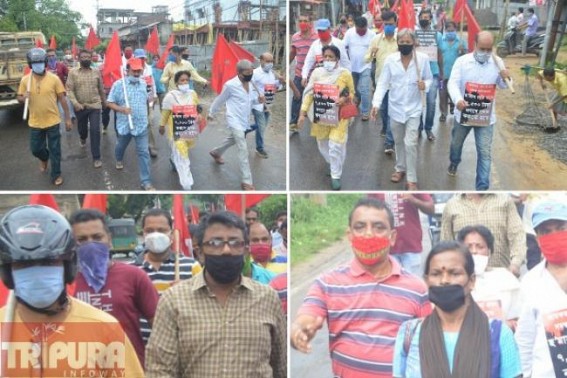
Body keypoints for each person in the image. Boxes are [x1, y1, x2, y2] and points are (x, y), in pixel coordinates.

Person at [291, 198, 431, 378]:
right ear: (350, 235)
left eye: (379, 227)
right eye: (360, 227)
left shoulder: (417, 288)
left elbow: (429, 343)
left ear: (392, 237)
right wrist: (299, 331)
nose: (368, 234)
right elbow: (305, 319)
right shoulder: (327, 283)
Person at [0, 205, 144, 377]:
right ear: (8, 273)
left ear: (68, 267)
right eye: (24, 264)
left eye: (49, 262)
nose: (37, 273)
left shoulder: (104, 328)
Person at [145, 211, 286, 377]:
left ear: (246, 250)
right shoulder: (173, 300)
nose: (226, 250)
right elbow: (160, 371)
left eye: (235, 242)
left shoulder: (268, 298)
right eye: (215, 242)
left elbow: (281, 366)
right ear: (200, 253)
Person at [392, 241, 522, 378]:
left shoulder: (498, 335)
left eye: (454, 273)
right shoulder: (410, 333)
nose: (444, 280)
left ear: (472, 281)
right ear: (426, 281)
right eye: (436, 274)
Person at [70, 208, 159, 369]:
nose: (90, 244)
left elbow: (161, 328)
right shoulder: (65, 282)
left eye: (97, 237)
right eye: (82, 239)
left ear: (109, 239)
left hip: (130, 369)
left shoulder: (134, 276)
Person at [447, 31, 511, 190]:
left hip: (485, 117)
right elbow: (452, 83)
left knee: (485, 152)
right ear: (475, 45)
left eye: (489, 49)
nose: (486, 53)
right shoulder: (462, 62)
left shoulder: (498, 62)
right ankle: (454, 162)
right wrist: (458, 100)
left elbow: (504, 86)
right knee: (456, 143)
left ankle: (482, 188)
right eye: (482, 49)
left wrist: (505, 77)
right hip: (464, 114)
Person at [371, 29, 432, 191]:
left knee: (410, 143)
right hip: (395, 108)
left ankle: (412, 179)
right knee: (398, 141)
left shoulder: (423, 59)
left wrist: (425, 85)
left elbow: (430, 79)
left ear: (414, 43)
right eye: (402, 42)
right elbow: (383, 83)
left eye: (408, 42)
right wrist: (376, 104)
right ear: (398, 43)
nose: (405, 45)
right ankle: (400, 168)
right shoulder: (391, 60)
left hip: (414, 109)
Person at [515, 200, 567, 377]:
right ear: (538, 239)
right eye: (546, 231)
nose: (555, 235)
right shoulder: (530, 282)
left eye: (561, 228)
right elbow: (524, 340)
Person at [135, 208, 200, 344]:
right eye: (150, 231)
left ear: (171, 233)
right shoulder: (130, 270)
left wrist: (187, 295)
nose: (155, 235)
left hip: (181, 346)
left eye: (161, 230)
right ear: (143, 233)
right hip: (141, 351)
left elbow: (205, 307)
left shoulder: (192, 267)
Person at [297, 45, 355, 191]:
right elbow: (309, 93)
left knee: (335, 145)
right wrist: (302, 113)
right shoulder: (317, 73)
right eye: (326, 57)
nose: (328, 60)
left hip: (339, 116)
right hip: (322, 115)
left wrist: (344, 99)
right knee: (323, 145)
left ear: (337, 59)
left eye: (331, 57)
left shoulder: (345, 74)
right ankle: (334, 164)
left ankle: (335, 175)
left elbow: (353, 93)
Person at [17, 47, 72, 187]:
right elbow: (19, 98)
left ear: (45, 62)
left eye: (41, 62)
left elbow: (63, 100)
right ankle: (44, 157)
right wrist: (24, 98)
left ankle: (56, 174)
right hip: (35, 122)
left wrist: (67, 118)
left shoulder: (54, 79)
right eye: (35, 62)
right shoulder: (25, 80)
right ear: (30, 64)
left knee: (55, 150)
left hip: (53, 121)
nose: (38, 65)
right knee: (36, 149)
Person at [208, 59, 264, 191]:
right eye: (247, 72)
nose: (250, 74)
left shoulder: (251, 83)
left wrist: (259, 100)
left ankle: (216, 152)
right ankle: (246, 181)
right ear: (239, 73)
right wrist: (211, 112)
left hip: (244, 119)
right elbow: (220, 100)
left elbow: (250, 102)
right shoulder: (230, 85)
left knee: (233, 139)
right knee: (243, 148)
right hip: (233, 119)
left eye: (251, 71)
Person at [441, 193, 526, 277]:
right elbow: (446, 245)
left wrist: (515, 264)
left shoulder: (505, 201)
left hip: (499, 276)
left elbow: (517, 236)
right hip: (465, 278)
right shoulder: (452, 206)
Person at [456, 225, 521, 328]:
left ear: (489, 251)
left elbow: (519, 318)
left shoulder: (506, 279)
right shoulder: (452, 282)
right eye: (468, 247)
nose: (474, 251)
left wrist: (506, 326)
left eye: (480, 247)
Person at [107, 57, 155, 190]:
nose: (136, 73)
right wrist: (122, 109)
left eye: (138, 71)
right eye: (133, 70)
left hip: (141, 125)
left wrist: (149, 111)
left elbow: (149, 100)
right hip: (125, 125)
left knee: (144, 152)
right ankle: (118, 158)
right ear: (127, 70)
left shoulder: (145, 84)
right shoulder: (118, 85)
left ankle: (146, 182)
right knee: (120, 147)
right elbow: (109, 103)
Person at [368, 193, 435, 276]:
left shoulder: (412, 188)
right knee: (391, 286)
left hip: (411, 247)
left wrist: (413, 200)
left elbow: (431, 208)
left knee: (412, 286)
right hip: (386, 249)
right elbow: (368, 213)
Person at [159, 70, 204, 190]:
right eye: (182, 80)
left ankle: (174, 159)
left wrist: (199, 115)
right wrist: (162, 125)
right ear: (176, 83)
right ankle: (187, 185)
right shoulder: (170, 96)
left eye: (187, 80)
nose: (185, 82)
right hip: (176, 132)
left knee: (181, 153)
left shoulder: (193, 94)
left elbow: (197, 108)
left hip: (189, 130)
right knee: (183, 157)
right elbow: (165, 113)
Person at [365, 10, 399, 154]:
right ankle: (385, 127)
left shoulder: (401, 39)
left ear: (396, 23)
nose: (388, 26)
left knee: (392, 112)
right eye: (385, 24)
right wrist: (372, 53)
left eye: (390, 24)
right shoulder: (376, 40)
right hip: (381, 82)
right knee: (383, 110)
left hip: (397, 83)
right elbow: (365, 59)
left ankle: (389, 142)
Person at [66, 49, 106, 168]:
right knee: (82, 129)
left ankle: (96, 157)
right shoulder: (73, 72)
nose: (86, 59)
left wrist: (104, 102)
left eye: (88, 57)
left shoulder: (96, 71)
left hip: (95, 105)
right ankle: (82, 138)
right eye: (83, 57)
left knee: (95, 130)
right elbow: (69, 90)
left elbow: (101, 88)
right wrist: (75, 103)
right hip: (80, 107)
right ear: (78, 58)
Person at [250, 52, 285, 158]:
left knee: (262, 126)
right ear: (261, 61)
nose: (270, 63)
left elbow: (273, 87)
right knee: (261, 127)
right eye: (267, 61)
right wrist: (258, 99)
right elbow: (251, 89)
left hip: (269, 104)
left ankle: (244, 129)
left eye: (271, 61)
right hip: (258, 105)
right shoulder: (255, 73)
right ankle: (259, 148)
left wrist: (280, 82)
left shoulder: (271, 73)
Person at [301, 18, 351, 88]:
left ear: (329, 29)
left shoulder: (338, 43)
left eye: (323, 31)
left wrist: (349, 78)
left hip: (337, 80)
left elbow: (345, 62)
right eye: (319, 31)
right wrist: (304, 76)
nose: (321, 33)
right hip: (320, 80)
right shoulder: (315, 45)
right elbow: (308, 62)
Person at [290, 15, 318, 133]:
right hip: (299, 73)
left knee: (317, 98)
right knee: (297, 97)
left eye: (305, 21)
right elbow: (293, 53)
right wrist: (286, 66)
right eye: (300, 21)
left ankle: (317, 122)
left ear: (310, 23)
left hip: (315, 74)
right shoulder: (295, 37)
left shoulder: (316, 37)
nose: (302, 23)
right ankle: (293, 123)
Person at [344, 16, 376, 121]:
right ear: (355, 26)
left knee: (365, 89)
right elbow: (343, 47)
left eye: (363, 30)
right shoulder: (349, 33)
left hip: (366, 66)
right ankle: (357, 99)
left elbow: (375, 50)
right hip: (352, 67)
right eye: (359, 30)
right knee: (353, 89)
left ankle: (365, 112)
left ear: (366, 26)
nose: (361, 32)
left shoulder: (372, 34)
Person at [416, 8, 440, 141]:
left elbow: (440, 53)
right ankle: (418, 128)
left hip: (434, 72)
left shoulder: (437, 35)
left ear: (431, 19)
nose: (424, 19)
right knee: (418, 102)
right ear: (419, 18)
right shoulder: (414, 34)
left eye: (427, 17)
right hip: (418, 73)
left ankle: (429, 128)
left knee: (431, 102)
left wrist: (441, 72)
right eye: (422, 17)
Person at [437, 20, 467, 123]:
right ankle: (443, 113)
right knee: (442, 94)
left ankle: (453, 107)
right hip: (442, 74)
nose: (450, 32)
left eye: (452, 30)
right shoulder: (441, 41)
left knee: (453, 93)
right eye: (448, 30)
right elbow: (437, 55)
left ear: (456, 30)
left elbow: (466, 58)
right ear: (445, 30)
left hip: (456, 75)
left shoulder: (461, 42)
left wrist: (462, 51)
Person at [133, 48, 159, 158]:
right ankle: (140, 145)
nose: (142, 60)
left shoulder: (149, 69)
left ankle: (151, 146)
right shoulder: (131, 69)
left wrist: (155, 95)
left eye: (143, 58)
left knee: (150, 123)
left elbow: (152, 83)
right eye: (139, 58)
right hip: (136, 101)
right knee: (139, 123)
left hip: (148, 101)